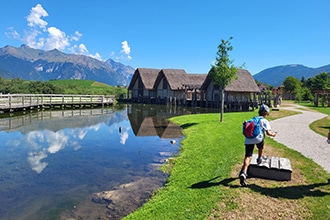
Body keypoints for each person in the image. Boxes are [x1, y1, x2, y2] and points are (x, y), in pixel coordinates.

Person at [239, 104, 277, 186]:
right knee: (261, 145)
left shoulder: (253, 119)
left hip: (248, 138)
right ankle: (259, 159)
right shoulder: (264, 121)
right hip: (258, 138)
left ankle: (244, 172)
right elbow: (268, 133)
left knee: (248, 156)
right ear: (266, 113)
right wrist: (274, 134)